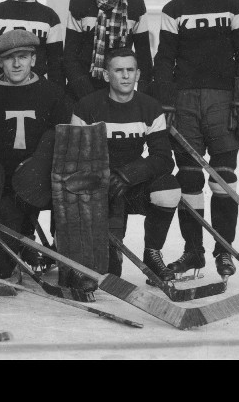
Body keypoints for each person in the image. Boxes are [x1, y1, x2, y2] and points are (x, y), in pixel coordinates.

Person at [152, 0, 239, 279]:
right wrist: (166, 103)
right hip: (184, 102)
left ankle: (223, 251)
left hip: (223, 101)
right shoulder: (174, 9)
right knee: (189, 179)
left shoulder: (235, 5)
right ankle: (193, 252)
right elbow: (164, 60)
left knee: (223, 178)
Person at [0, 30, 70, 278]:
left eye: (23, 56)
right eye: (10, 58)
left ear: (33, 59)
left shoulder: (52, 93)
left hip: (39, 181)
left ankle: (50, 250)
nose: (17, 64)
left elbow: (62, 144)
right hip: (2, 185)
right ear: (0, 62)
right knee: (0, 270)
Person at [71, 48, 181, 283]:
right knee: (111, 272)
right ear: (106, 75)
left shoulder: (150, 106)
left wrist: (130, 174)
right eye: (118, 70)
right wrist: (107, 177)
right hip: (99, 187)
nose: (125, 76)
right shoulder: (87, 106)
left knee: (168, 189)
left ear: (138, 74)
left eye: (130, 70)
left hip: (131, 185)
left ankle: (152, 254)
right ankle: (105, 252)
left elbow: (163, 158)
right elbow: (74, 156)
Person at [63, 0, 152, 103]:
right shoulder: (79, 3)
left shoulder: (135, 4)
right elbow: (70, 57)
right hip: (83, 91)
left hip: (122, 90)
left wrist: (138, 94)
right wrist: (88, 96)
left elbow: (144, 56)